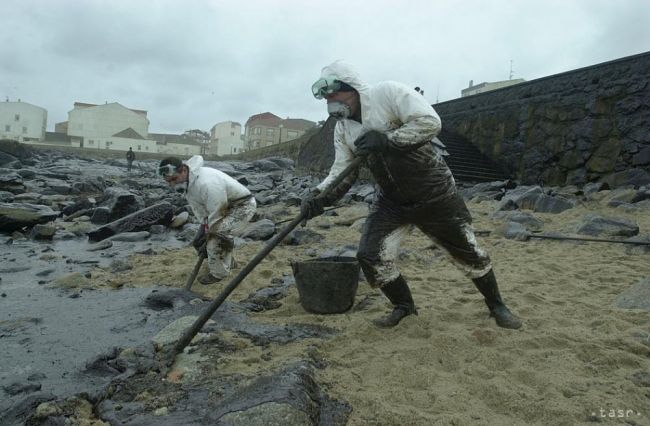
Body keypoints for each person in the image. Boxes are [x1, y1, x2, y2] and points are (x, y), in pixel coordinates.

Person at [302, 60, 521, 329]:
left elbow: (430, 122)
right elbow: (342, 170)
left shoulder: (388, 94)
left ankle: (497, 304)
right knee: (371, 255)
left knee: (469, 253)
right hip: (391, 200)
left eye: (333, 94)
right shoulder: (343, 127)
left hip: (434, 192)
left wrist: (388, 140)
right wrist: (319, 197)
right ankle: (404, 307)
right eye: (326, 98)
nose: (330, 101)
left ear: (352, 88)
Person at [157, 155, 256, 285]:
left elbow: (218, 212)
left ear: (184, 171)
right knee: (198, 241)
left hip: (241, 206)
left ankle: (219, 274)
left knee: (215, 238)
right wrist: (204, 226)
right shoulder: (189, 181)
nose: (172, 184)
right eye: (169, 181)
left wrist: (210, 232)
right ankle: (228, 263)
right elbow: (200, 208)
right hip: (222, 207)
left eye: (174, 179)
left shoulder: (207, 183)